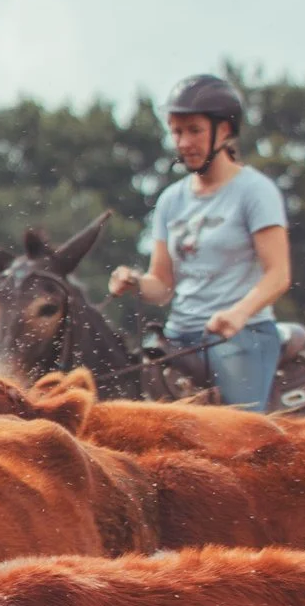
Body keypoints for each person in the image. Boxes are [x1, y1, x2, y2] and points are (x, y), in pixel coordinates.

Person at [107, 74, 290, 412]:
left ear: (223, 131)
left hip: (240, 335)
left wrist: (238, 314)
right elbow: (162, 286)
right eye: (176, 131)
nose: (183, 142)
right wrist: (134, 281)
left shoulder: (254, 192)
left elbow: (278, 275)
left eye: (194, 130)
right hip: (177, 338)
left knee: (239, 440)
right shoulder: (170, 200)